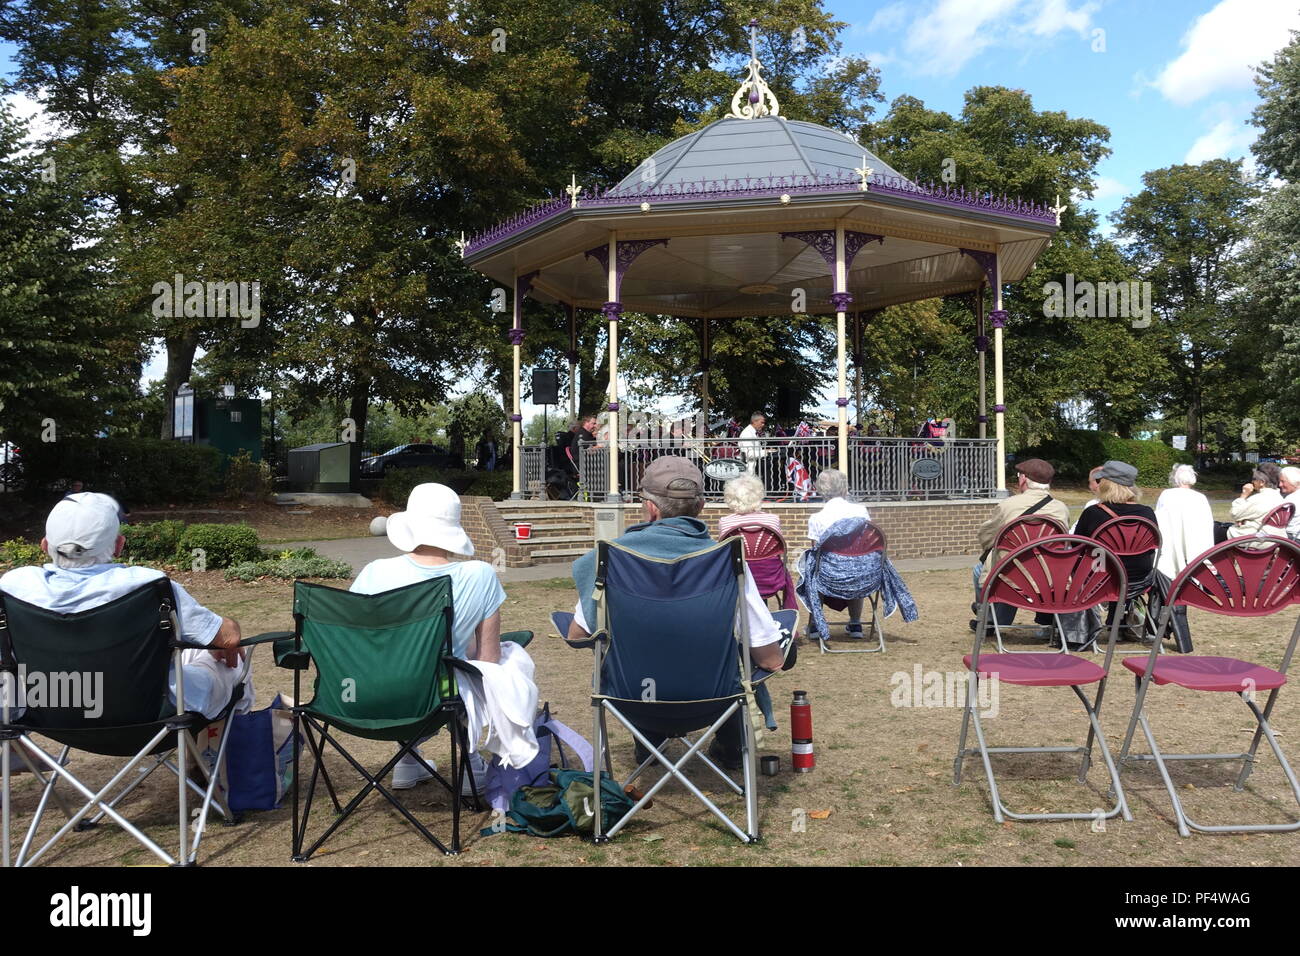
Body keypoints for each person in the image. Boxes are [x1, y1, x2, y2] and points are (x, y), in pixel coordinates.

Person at [567, 457, 784, 769]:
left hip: (632, 699)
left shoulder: (611, 557)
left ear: (651, 508)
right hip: (714, 700)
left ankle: (648, 742)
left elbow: (578, 635)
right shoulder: (726, 560)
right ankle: (731, 746)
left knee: (638, 647)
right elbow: (770, 659)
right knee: (736, 657)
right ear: (701, 507)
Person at [0, 493, 251, 720]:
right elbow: (228, 638)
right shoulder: (147, 585)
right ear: (119, 545)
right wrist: (230, 630)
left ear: (44, 546)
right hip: (150, 715)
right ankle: (220, 761)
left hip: (51, 710)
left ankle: (15, 752)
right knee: (235, 661)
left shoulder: (14, 586)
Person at [351, 483, 537, 789]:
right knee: (490, 663)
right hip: (440, 698)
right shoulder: (479, 575)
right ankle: (471, 763)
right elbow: (488, 660)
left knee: (424, 669)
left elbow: (356, 643)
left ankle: (409, 760)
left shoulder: (374, 572)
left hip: (368, 695)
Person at [971, 459, 1070, 634]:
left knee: (983, 568)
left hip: (1011, 576)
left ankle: (990, 620)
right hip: (1049, 577)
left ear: (1023, 479)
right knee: (1008, 565)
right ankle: (993, 619)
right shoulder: (1061, 509)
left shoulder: (1008, 505)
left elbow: (987, 536)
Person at [1152, 463, 1214, 650]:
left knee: (1167, 580)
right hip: (1193, 546)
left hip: (1170, 546)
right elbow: (1205, 525)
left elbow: (1159, 519)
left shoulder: (1167, 495)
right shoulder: (1200, 498)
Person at [806, 468, 871, 634]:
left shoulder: (817, 518)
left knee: (812, 571)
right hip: (861, 574)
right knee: (856, 564)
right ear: (844, 488)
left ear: (820, 490)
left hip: (829, 576)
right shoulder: (861, 512)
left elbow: (816, 552)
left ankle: (814, 624)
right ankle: (855, 623)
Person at [1214, 464, 1284, 542]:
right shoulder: (1280, 498)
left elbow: (1234, 513)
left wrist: (1243, 495)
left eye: (1254, 479)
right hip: (1275, 538)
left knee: (1213, 529)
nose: (1252, 482)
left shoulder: (1259, 499)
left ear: (1262, 482)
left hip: (1254, 539)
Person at [718, 474, 781, 538]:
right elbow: (779, 546)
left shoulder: (725, 522)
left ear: (730, 498)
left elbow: (723, 547)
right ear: (758, 495)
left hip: (737, 548)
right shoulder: (773, 520)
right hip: (767, 548)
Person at [738, 411, 771, 486]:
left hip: (756, 463)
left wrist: (766, 451)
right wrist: (766, 452)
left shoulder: (752, 432)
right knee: (769, 466)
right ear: (754, 422)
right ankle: (770, 493)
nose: (763, 425)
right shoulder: (747, 433)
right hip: (751, 466)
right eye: (761, 422)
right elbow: (749, 454)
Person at [1281, 466, 1300, 541]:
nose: (1280, 485)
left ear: (1294, 482)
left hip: (1292, 539)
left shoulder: (1291, 499)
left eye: (1283, 481)